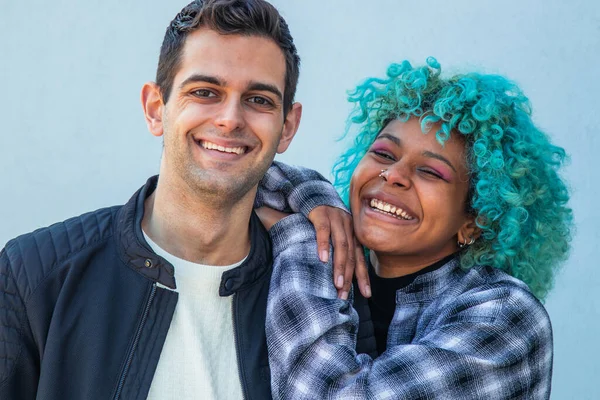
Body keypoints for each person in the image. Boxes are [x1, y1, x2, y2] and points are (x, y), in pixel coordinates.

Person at [0, 1, 365, 399]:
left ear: (287, 126)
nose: (230, 119)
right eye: (205, 92)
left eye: (259, 99)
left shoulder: (325, 287)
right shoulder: (34, 275)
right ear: (156, 109)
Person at [265, 58, 572, 399]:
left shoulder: (506, 316)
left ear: (475, 218)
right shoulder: (349, 265)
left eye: (430, 172)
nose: (393, 174)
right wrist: (320, 203)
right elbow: (241, 175)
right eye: (383, 153)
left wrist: (306, 241)